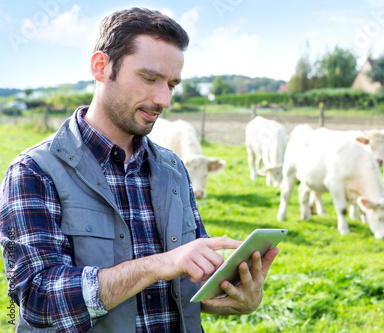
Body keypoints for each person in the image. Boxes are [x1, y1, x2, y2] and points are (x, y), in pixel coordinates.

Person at [0, 7, 280, 333]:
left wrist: (232, 294)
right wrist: (158, 265)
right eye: (149, 78)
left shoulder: (174, 168)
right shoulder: (34, 171)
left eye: (171, 84)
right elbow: (38, 298)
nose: (163, 99)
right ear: (101, 67)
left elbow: (184, 285)